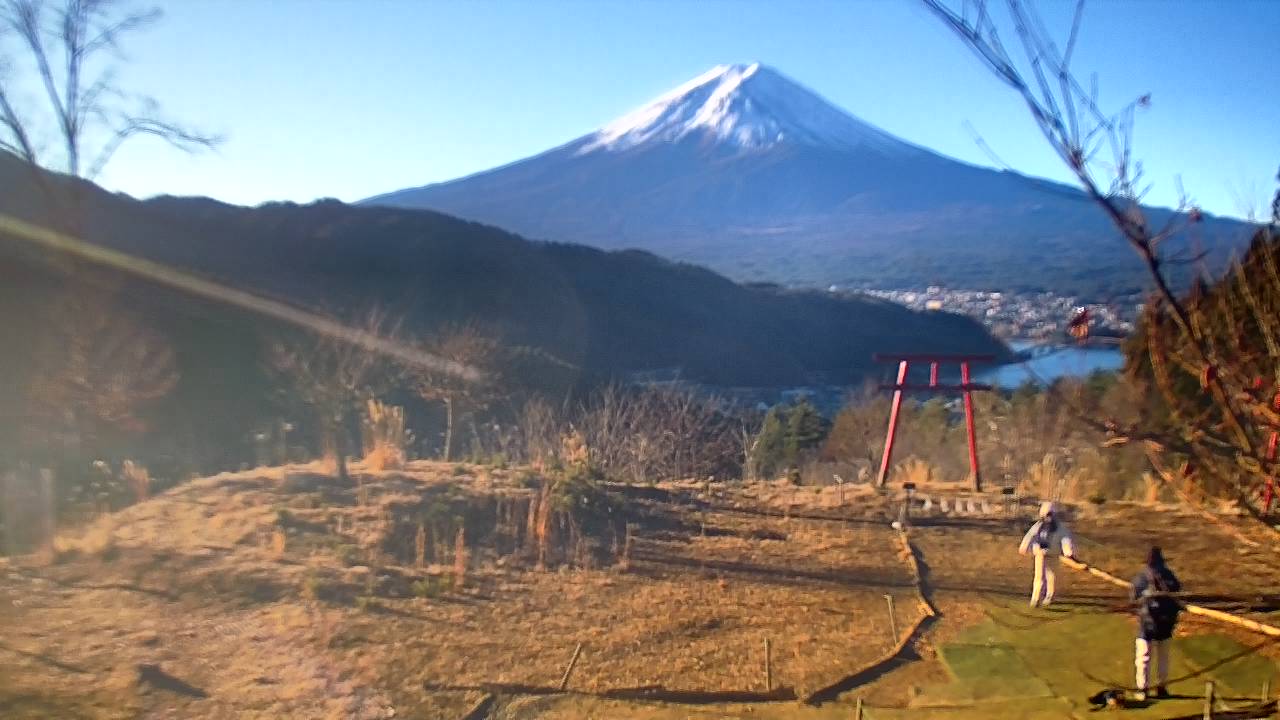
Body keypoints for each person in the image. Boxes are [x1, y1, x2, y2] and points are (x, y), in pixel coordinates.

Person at [1131, 546, 1181, 701]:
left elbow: (1133, 597)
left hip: (1148, 623)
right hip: (1164, 622)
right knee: (1162, 657)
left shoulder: (1141, 578)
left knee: (1143, 658)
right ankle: (1161, 687)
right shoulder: (1169, 576)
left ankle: (1143, 689)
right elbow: (1177, 594)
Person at [1018, 501, 1075, 607]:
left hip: (1053, 554)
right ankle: (1035, 598)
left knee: (1051, 576)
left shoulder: (1060, 528)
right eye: (1045, 515)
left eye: (1049, 514)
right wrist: (1024, 546)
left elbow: (1065, 539)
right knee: (1038, 577)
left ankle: (1049, 596)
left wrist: (1068, 551)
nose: (1047, 518)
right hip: (1039, 554)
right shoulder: (1038, 525)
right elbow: (1030, 535)